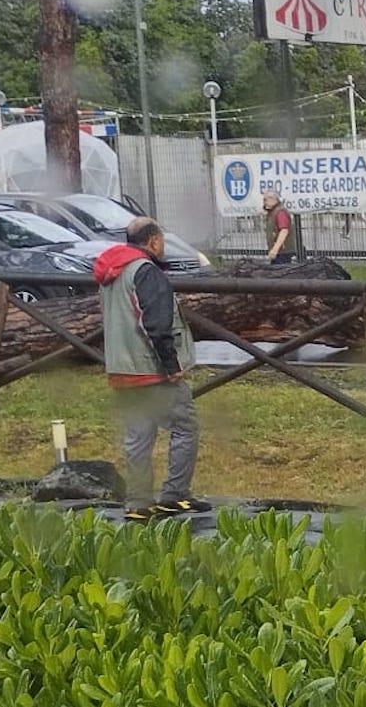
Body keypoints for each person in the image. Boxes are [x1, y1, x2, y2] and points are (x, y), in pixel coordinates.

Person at [94, 217, 209, 521]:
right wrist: (171, 365)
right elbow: (155, 324)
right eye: (161, 241)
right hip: (152, 369)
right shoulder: (146, 272)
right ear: (154, 240)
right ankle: (175, 495)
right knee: (185, 428)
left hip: (122, 368)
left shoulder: (111, 273)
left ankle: (139, 503)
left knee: (137, 438)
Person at [262, 190, 297, 264]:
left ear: (273, 199)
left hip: (283, 252)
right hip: (280, 251)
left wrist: (275, 249)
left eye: (265, 199)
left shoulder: (280, 212)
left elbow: (284, 231)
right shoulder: (273, 212)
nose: (264, 202)